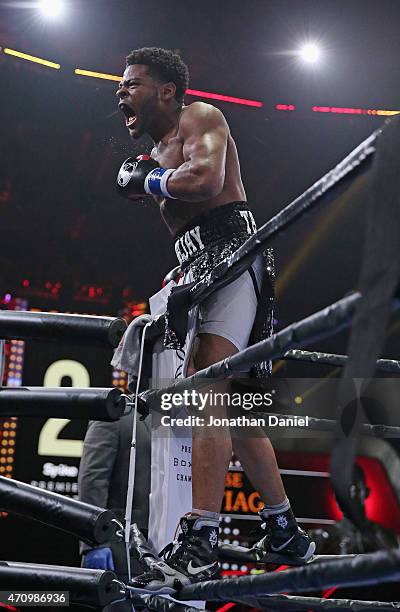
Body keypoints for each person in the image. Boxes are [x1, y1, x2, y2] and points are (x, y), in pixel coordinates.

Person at [115, 47, 315, 594]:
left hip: (234, 253)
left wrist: (151, 183)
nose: (120, 93)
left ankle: (200, 538)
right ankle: (284, 529)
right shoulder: (158, 150)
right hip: (200, 266)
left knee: (207, 385)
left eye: (132, 83)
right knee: (236, 410)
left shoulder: (199, 118)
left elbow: (205, 179)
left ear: (165, 90)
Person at [78, 413, 151, 588]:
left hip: (163, 548)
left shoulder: (178, 420)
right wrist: (94, 543)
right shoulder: (114, 416)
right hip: (117, 544)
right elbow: (93, 480)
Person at [308, 464, 399, 555]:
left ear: (366, 492)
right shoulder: (323, 538)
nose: (352, 495)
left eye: (356, 489)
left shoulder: (384, 537)